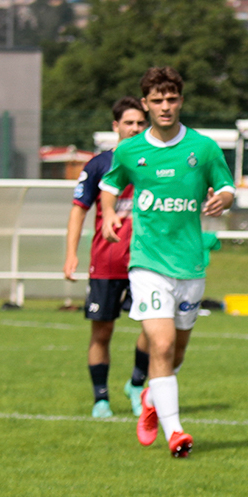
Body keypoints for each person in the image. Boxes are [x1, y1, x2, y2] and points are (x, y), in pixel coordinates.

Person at [99, 67, 235, 457]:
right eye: (156, 100)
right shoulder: (129, 150)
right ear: (145, 104)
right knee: (161, 343)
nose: (165, 106)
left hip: (190, 263)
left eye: (171, 99)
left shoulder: (203, 147)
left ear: (181, 100)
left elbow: (226, 186)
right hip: (147, 262)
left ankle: (151, 401)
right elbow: (109, 185)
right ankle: (175, 432)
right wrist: (109, 214)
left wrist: (222, 200)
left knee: (175, 354)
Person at [65, 97, 152, 418]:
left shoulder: (154, 162)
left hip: (146, 261)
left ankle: (136, 383)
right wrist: (71, 254)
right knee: (102, 332)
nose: (135, 128)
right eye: (129, 123)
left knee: (153, 327)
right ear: (116, 126)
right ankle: (101, 399)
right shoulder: (100, 165)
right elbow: (78, 211)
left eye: (140, 123)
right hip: (106, 262)